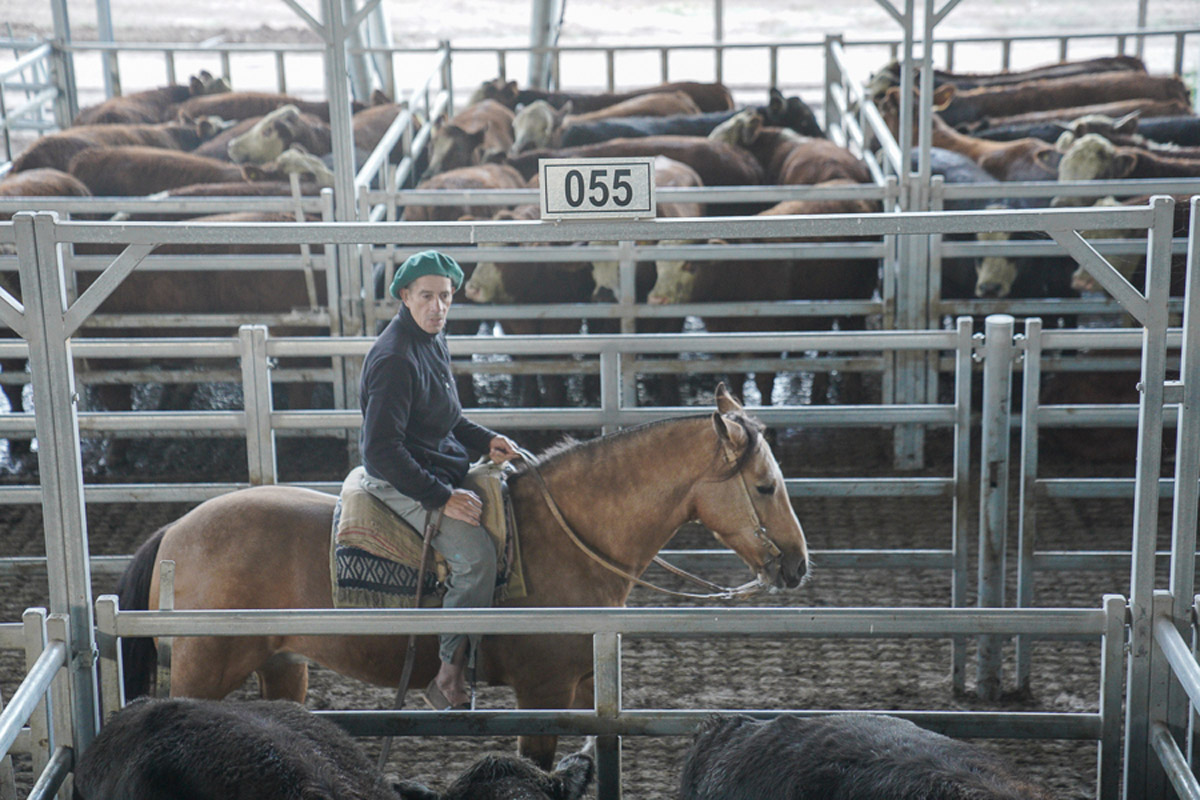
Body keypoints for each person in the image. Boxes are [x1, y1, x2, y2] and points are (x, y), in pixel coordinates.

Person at [358, 249, 519, 710]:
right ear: (404, 296)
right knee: (477, 558)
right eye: (427, 296)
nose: (438, 307)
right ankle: (447, 675)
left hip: (433, 463)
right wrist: (442, 497)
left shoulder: (431, 338)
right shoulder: (394, 359)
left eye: (445, 297)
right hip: (400, 477)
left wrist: (485, 439)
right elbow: (381, 451)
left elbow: (444, 418)